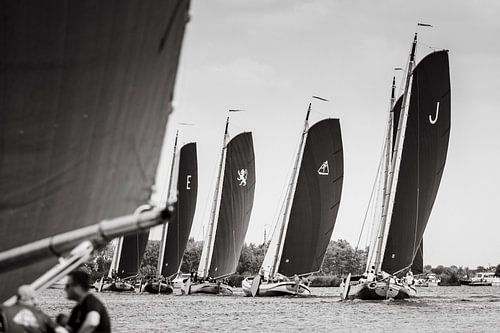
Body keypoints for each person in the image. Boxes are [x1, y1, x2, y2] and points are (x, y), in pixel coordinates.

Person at [0, 285, 67, 333]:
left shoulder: (4, 310)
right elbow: (60, 330)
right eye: (32, 298)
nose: (36, 302)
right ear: (23, 297)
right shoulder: (40, 314)